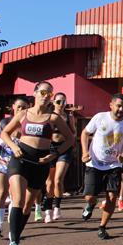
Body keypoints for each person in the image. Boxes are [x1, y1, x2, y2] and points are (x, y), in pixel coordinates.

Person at [0, 81, 74, 245]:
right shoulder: (23, 114)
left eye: (49, 94)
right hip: (21, 159)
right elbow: (4, 133)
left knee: (28, 204)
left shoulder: (54, 118)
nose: (45, 96)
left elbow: (70, 139)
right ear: (34, 93)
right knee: (17, 199)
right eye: (42, 92)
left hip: (40, 163)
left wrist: (53, 155)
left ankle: (16, 240)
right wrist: (13, 146)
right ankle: (13, 243)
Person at [80, 94, 123, 239]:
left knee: (112, 197)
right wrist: (85, 152)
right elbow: (85, 133)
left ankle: (102, 227)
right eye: (119, 106)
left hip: (114, 165)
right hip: (94, 163)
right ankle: (91, 205)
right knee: (89, 197)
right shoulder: (100, 117)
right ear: (111, 105)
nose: (121, 109)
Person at [0, 97, 29, 236]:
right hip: (1, 160)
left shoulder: (27, 124)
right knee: (1, 192)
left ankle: (12, 223)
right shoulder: (4, 122)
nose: (21, 109)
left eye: (24, 107)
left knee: (14, 195)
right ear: (13, 107)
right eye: (18, 106)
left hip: (16, 162)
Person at [43, 92, 77, 222]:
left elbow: (73, 132)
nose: (61, 104)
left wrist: (70, 127)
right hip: (50, 148)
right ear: (53, 102)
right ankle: (47, 210)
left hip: (64, 148)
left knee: (58, 179)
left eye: (63, 102)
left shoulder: (68, 116)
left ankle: (57, 207)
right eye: (58, 102)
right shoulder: (49, 116)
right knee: (49, 182)